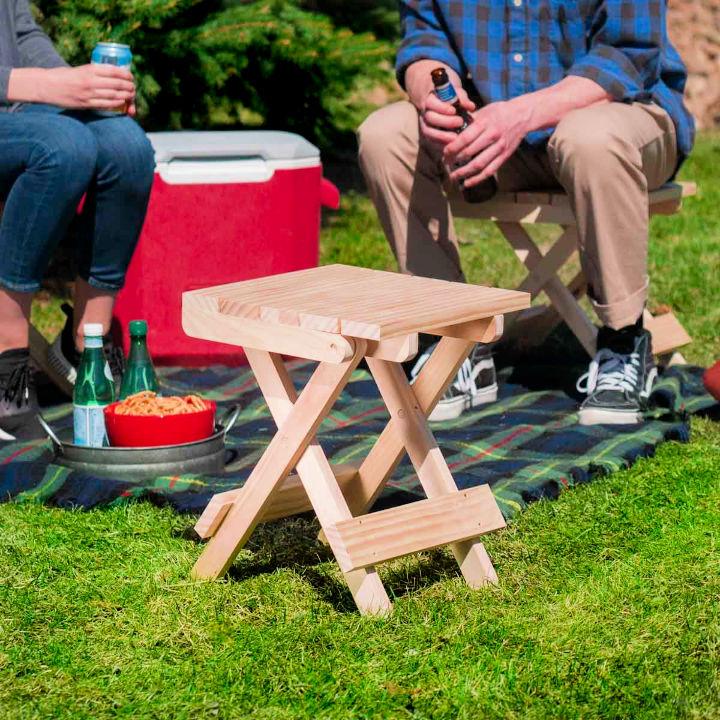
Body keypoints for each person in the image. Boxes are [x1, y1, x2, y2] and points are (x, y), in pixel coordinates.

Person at [358, 0, 694, 425]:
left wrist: (520, 115)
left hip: (622, 118)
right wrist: (431, 95)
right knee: (384, 133)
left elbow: (629, 55)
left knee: (589, 138)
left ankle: (624, 343)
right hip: (494, 132)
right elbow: (424, 37)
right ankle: (449, 340)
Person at [0, 0, 155, 442]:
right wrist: (48, 86)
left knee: (126, 147)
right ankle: (6, 356)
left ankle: (89, 339)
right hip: (20, 109)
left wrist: (86, 90)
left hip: (14, 112)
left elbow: (20, 31)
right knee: (63, 147)